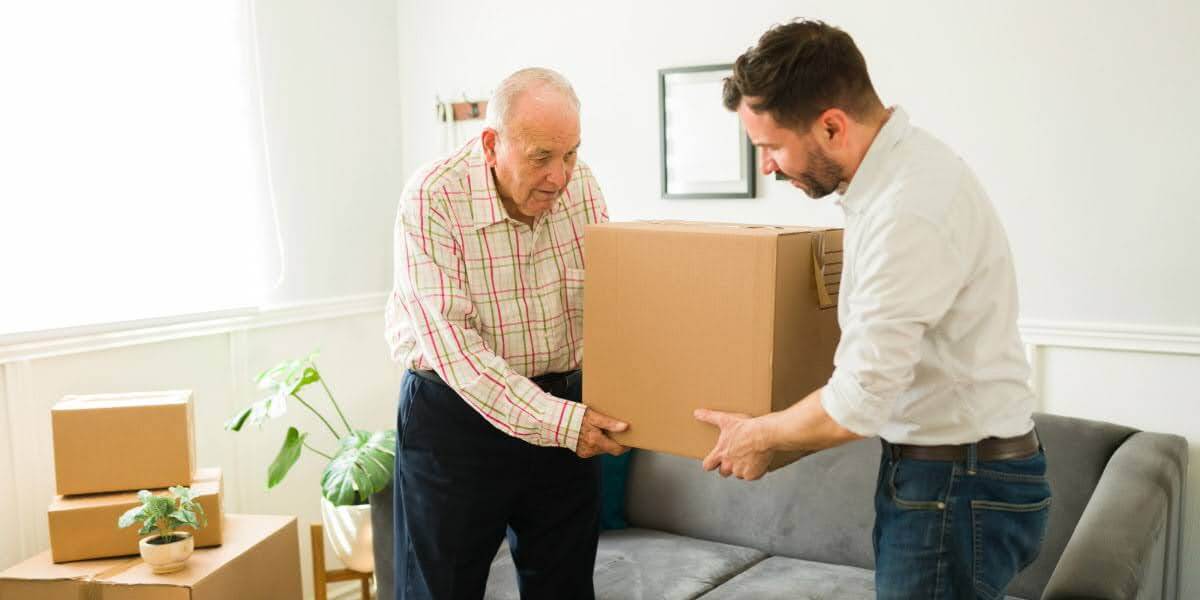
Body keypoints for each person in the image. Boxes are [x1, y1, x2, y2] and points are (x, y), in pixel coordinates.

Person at [694, 20, 1050, 599]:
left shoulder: (906, 210)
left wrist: (758, 436)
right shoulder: (894, 180)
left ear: (832, 125)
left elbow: (855, 405)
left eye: (771, 147)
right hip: (951, 474)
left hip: (956, 485)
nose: (767, 168)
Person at [384, 67, 628, 600]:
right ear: (492, 144)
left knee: (565, 589)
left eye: (570, 154)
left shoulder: (580, 183)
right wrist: (564, 423)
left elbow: (610, 303)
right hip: (456, 420)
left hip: (562, 406)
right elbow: (456, 350)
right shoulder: (432, 198)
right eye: (542, 157)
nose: (560, 177)